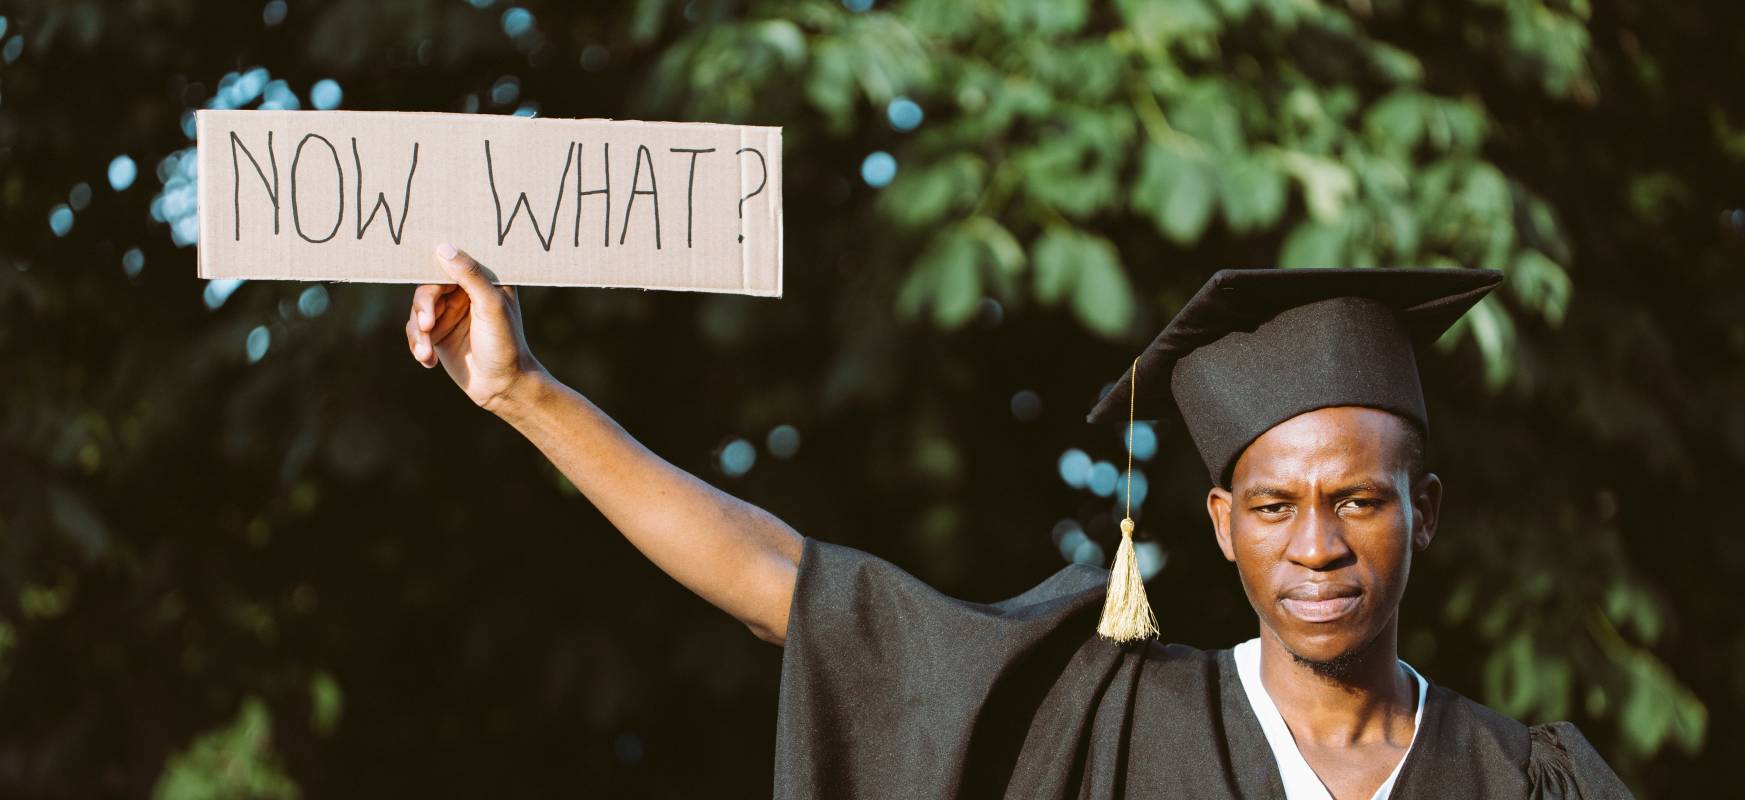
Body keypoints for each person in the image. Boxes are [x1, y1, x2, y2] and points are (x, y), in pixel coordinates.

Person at [403, 242, 1631, 799]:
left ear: (1423, 509)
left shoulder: (1523, 781)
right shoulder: (1112, 718)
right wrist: (524, 392)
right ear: (1219, 521)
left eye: (1358, 499)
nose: (1314, 544)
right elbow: (788, 581)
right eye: (1274, 504)